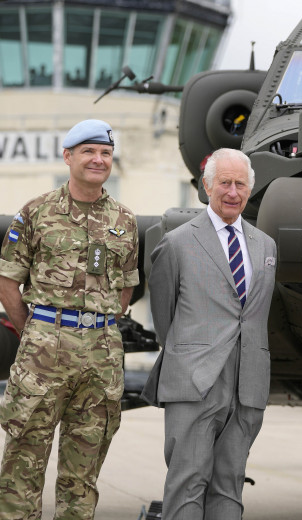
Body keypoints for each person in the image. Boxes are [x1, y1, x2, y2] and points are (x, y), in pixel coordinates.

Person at [0, 119, 139, 519]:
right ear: (68, 156)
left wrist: (99, 323)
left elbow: (126, 287)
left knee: (84, 472)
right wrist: (36, 329)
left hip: (101, 356)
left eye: (106, 153)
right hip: (43, 353)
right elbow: (8, 281)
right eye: (89, 152)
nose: (99, 160)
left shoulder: (124, 220)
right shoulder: (36, 213)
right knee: (23, 463)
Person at [140, 148, 277, 520]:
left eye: (241, 184)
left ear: (250, 188)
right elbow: (164, 317)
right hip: (194, 379)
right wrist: (190, 354)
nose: (233, 192)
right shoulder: (178, 242)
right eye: (225, 183)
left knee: (229, 485)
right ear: (206, 186)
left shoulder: (266, 246)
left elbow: (253, 314)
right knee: (187, 483)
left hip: (246, 382)